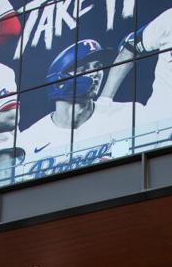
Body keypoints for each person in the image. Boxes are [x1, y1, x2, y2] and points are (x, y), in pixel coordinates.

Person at [17, 39, 132, 180]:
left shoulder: (125, 115)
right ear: (60, 82)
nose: (95, 73)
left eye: (98, 67)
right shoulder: (28, 140)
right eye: (84, 69)